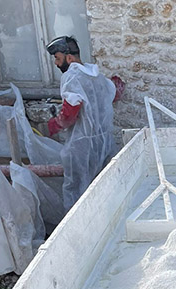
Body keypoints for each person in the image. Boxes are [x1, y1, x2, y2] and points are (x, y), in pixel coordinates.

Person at [45, 35, 123, 211]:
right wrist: (118, 82)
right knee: (104, 189)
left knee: (77, 193)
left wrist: (55, 124)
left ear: (69, 58)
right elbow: (115, 92)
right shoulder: (97, 77)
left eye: (57, 58)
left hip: (81, 147)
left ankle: (78, 226)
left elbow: (70, 113)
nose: (56, 63)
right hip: (104, 144)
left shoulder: (72, 77)